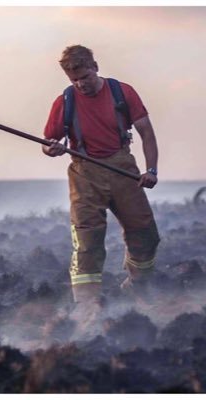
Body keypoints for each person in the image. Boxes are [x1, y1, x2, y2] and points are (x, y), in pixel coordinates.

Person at [42, 45, 160, 322]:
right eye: (75, 80)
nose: (81, 84)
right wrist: (54, 149)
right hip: (84, 173)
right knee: (87, 239)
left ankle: (138, 285)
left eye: (85, 76)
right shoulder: (65, 101)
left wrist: (151, 170)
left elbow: (146, 133)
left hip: (122, 168)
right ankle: (87, 305)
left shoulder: (122, 92)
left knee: (145, 234)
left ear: (95, 66)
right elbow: (48, 144)